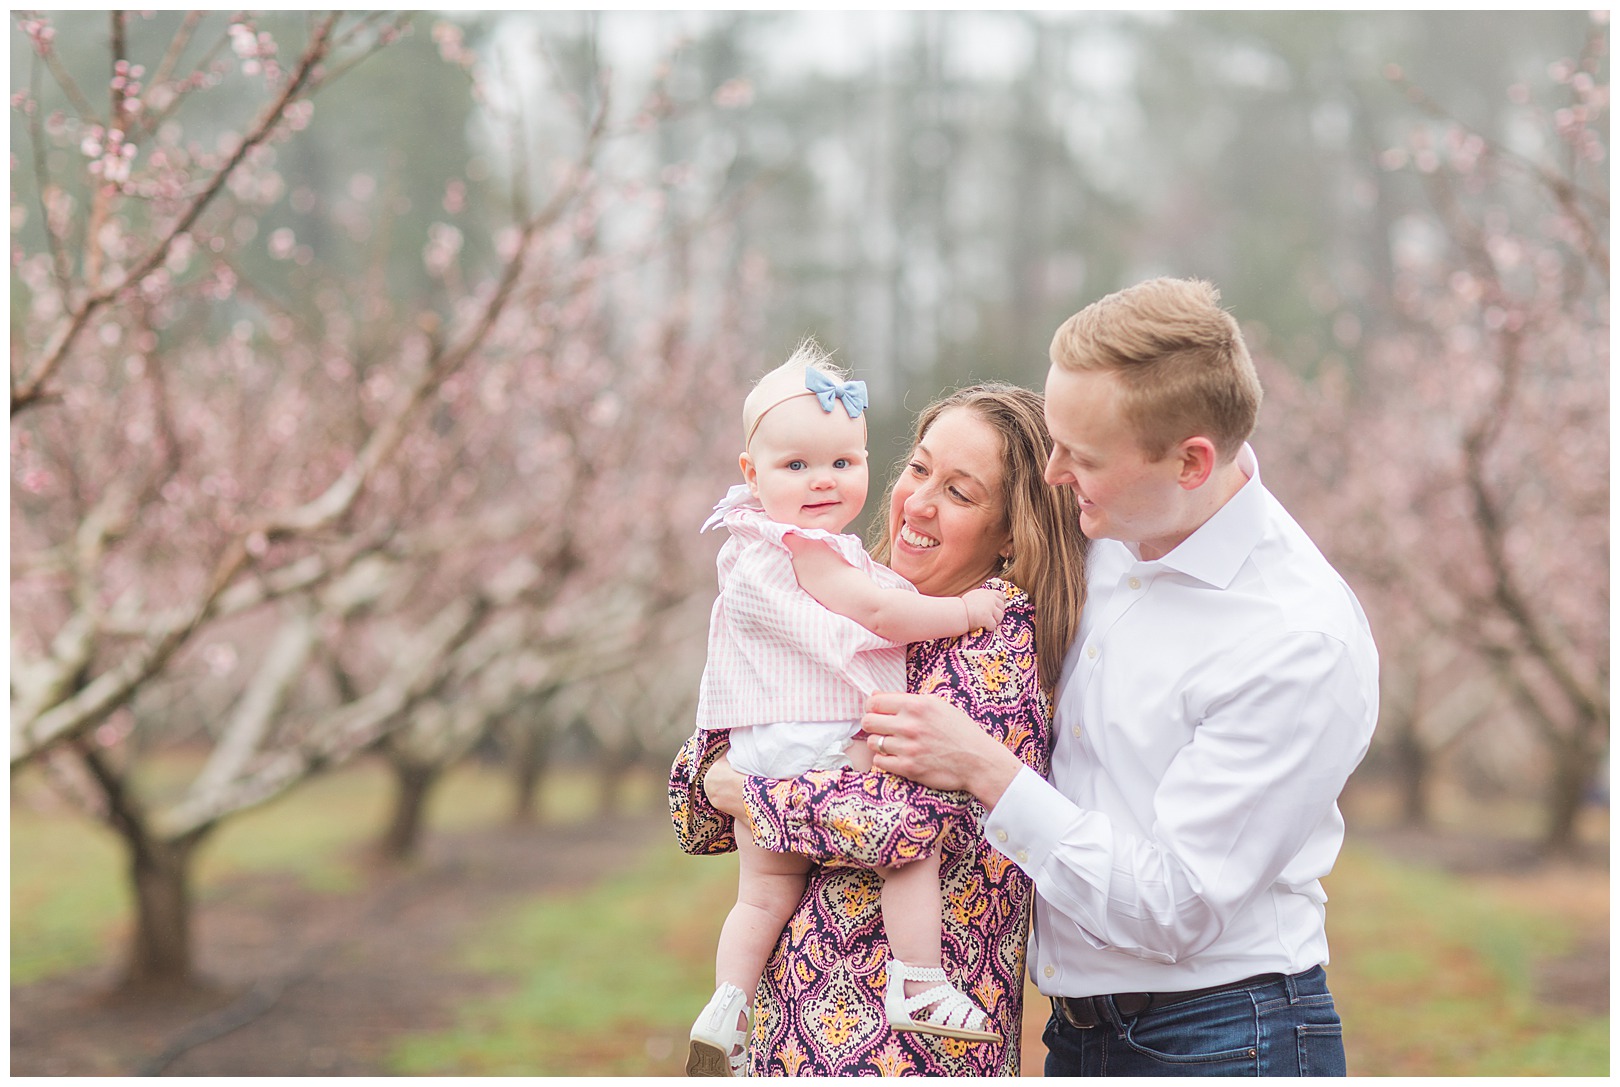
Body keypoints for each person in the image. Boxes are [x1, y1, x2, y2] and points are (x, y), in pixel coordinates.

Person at [859, 277, 1380, 1077]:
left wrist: (985, 770)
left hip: (1222, 1036)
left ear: (1190, 460)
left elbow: (1174, 907)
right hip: (1074, 1035)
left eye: (1083, 455)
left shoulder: (1295, 641)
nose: (1055, 471)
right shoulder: (1098, 539)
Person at [672, 382, 1087, 1076]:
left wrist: (746, 790)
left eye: (959, 492)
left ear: (1012, 530)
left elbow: (900, 821)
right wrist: (722, 778)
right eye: (919, 469)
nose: (918, 502)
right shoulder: (853, 603)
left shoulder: (993, 640)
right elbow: (693, 801)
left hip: (900, 1054)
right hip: (793, 1034)